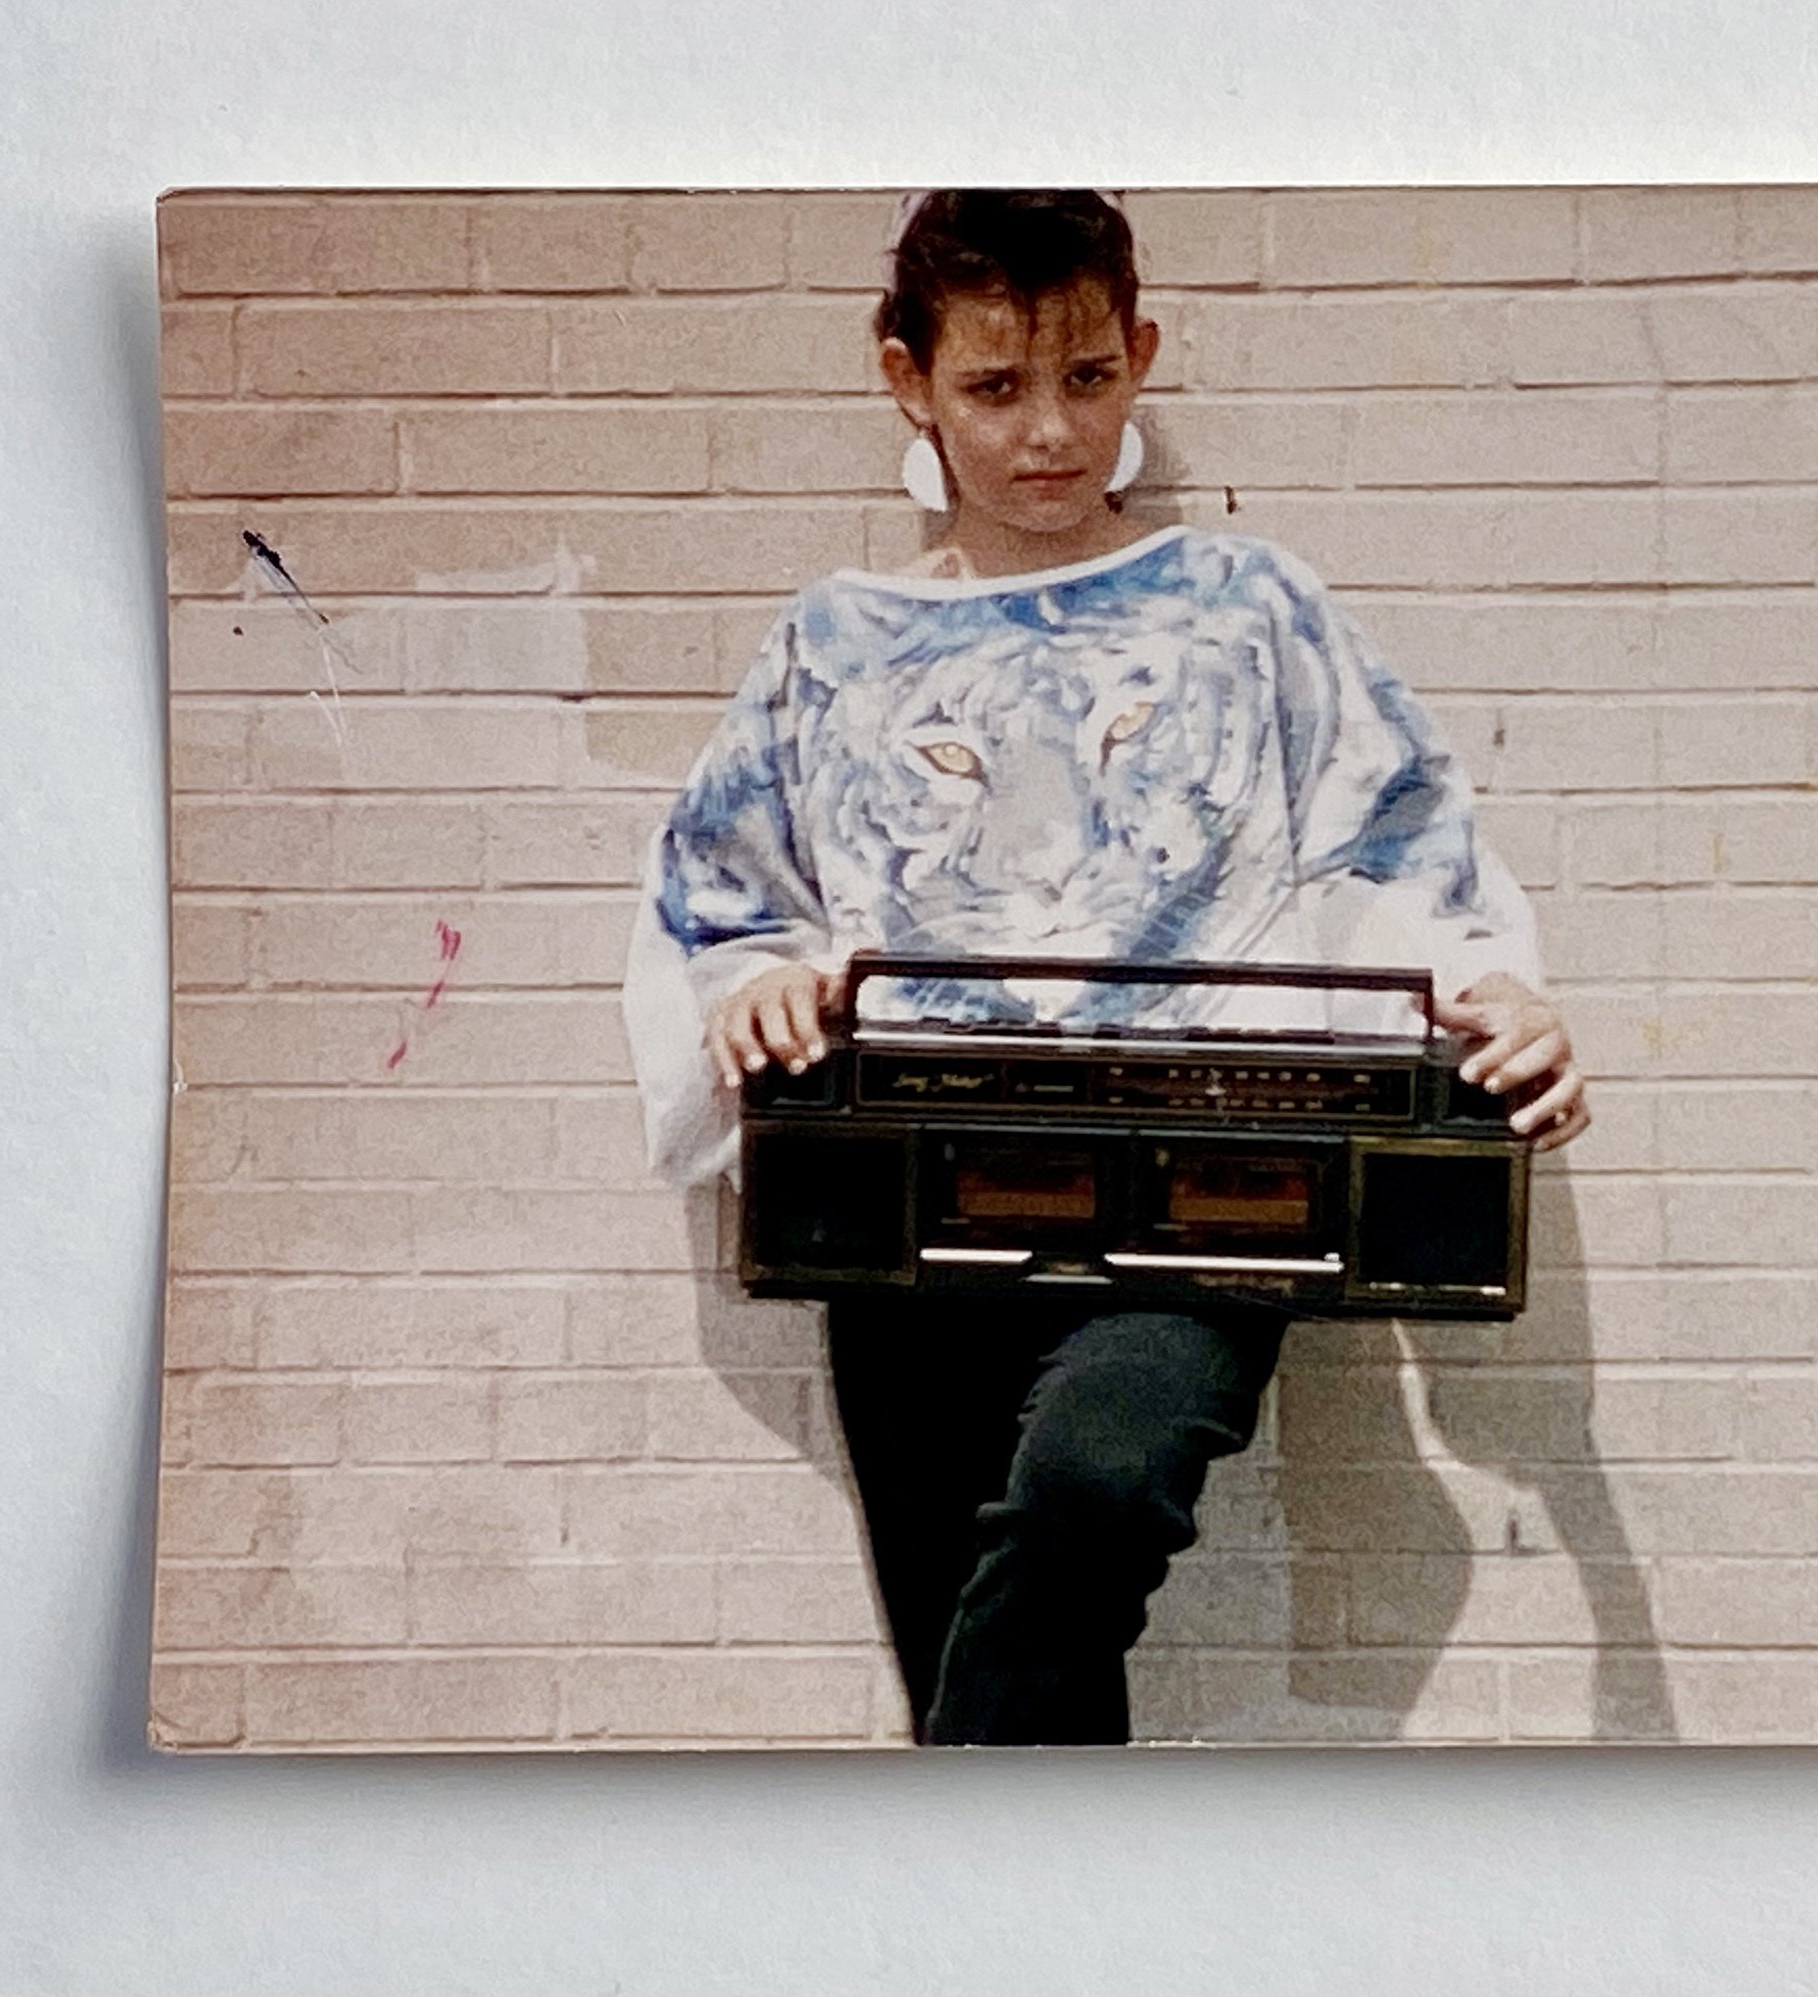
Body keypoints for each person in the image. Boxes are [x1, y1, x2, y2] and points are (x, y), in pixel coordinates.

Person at [621, 189, 1590, 1746]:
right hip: (917, 1202)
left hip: (1210, 1180)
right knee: (973, 1658)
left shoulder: (1248, 605)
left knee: (1096, 1485)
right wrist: (760, 980)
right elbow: (718, 898)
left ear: (1138, 357)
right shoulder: (836, 641)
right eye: (995, 389)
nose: (1047, 432)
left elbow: (1399, 850)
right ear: (908, 379)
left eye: (1085, 377)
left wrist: (1499, 997)